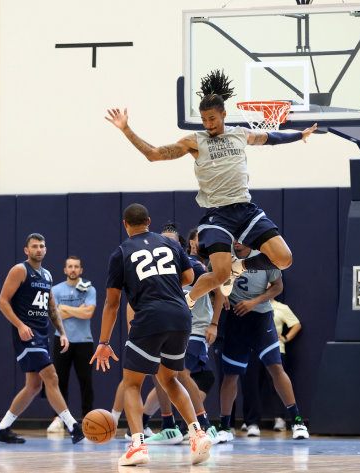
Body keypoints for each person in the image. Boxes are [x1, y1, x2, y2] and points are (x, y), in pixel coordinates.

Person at [105, 70, 317, 306]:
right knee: (220, 275)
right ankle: (191, 298)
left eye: (212, 119)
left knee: (284, 259)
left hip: (246, 210)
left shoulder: (240, 134)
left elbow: (270, 137)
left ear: (223, 114)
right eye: (204, 120)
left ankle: (241, 266)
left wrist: (300, 134)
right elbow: (154, 155)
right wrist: (126, 129)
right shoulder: (195, 141)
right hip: (218, 215)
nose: (208, 124)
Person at [91, 204, 212, 466]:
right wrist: (165, 286)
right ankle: (197, 432)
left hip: (149, 317)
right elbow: (189, 276)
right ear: (148, 221)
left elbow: (112, 303)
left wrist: (103, 342)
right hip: (181, 316)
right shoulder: (171, 244)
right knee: (169, 379)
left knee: (133, 384)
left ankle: (138, 445)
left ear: (125, 225)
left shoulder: (120, 253)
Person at [0, 233, 84, 444]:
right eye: (34, 246)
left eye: (42, 246)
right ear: (27, 250)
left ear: (46, 249)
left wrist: (62, 332)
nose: (39, 249)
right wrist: (20, 325)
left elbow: (51, 306)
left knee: (33, 385)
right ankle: (73, 426)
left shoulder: (47, 275)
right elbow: (2, 301)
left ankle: (3, 428)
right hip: (26, 334)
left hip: (42, 335)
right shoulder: (19, 270)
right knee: (51, 376)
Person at [215, 240, 308, 442]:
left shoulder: (264, 256)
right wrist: (219, 291)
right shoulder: (224, 255)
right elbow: (211, 278)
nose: (237, 243)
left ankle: (298, 422)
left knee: (276, 367)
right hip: (236, 320)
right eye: (234, 238)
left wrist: (255, 301)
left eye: (241, 239)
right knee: (230, 375)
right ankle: (224, 426)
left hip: (261, 319)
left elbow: (277, 287)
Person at [145, 222, 220, 445]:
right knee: (160, 374)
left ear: (181, 246)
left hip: (195, 328)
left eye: (170, 241)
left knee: (182, 374)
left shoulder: (194, 267)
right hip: (169, 328)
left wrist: (214, 323)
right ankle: (168, 426)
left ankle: (204, 425)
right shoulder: (155, 270)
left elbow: (220, 287)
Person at [46, 256, 97, 433]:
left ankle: (88, 419)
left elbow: (89, 313)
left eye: (76, 266)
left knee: (86, 382)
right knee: (59, 381)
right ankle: (58, 419)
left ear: (81, 270)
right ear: (65, 270)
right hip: (62, 339)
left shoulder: (90, 289)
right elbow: (55, 314)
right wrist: (78, 309)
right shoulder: (56, 289)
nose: (73, 269)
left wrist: (64, 309)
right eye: (70, 266)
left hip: (84, 341)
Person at [269, 298, 302, 432]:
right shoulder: (252, 304)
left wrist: (285, 338)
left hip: (277, 348)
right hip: (254, 349)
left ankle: (286, 419)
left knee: (276, 383)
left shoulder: (281, 307)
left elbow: (296, 324)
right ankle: (251, 423)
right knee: (251, 386)